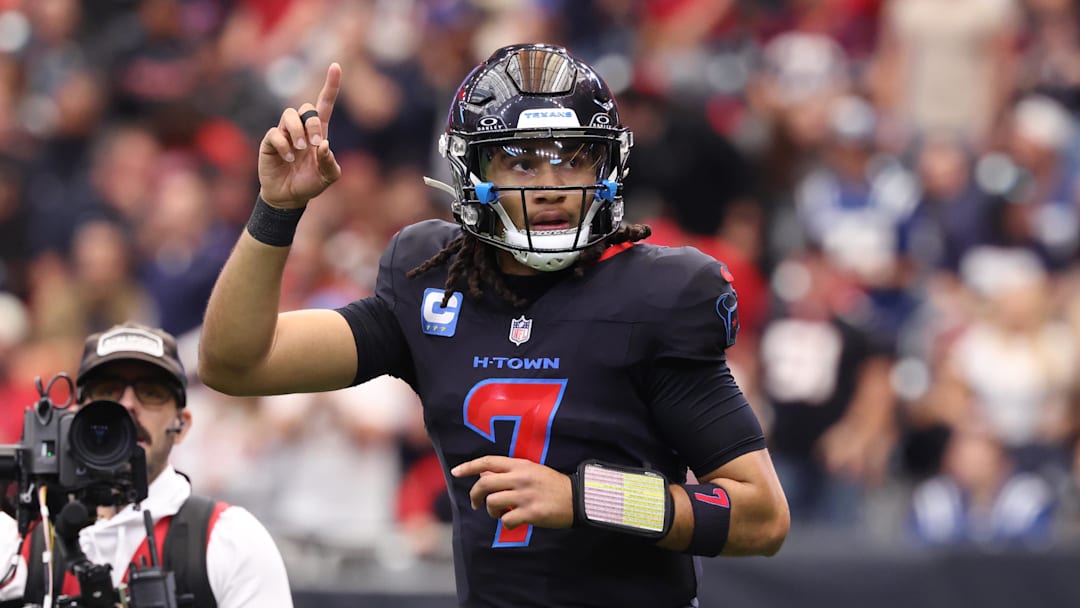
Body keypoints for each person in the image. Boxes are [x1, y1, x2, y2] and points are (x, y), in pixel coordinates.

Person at [199, 43, 789, 607]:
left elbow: (761, 515)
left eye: (574, 158)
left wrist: (586, 497)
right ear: (471, 172)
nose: (551, 187)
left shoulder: (656, 296)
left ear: (608, 165)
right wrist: (277, 209)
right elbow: (237, 362)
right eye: (521, 161)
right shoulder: (434, 283)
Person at [0, 322, 293, 607]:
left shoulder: (229, 540)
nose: (127, 405)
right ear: (76, 417)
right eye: (108, 391)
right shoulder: (19, 547)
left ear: (182, 425)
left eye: (151, 393)